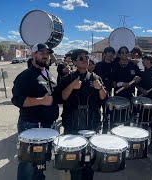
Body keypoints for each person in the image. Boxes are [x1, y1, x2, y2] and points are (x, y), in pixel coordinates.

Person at [56, 49, 107, 180]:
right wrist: (71, 86)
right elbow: (61, 97)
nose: (85, 60)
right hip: (73, 122)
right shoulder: (68, 78)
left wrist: (100, 87)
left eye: (86, 57)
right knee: (75, 160)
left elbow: (104, 98)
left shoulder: (96, 77)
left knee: (90, 159)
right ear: (74, 62)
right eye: (81, 58)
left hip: (92, 122)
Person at [12, 43, 59, 180]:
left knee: (41, 161)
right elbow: (17, 100)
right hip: (31, 126)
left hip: (48, 125)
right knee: (28, 164)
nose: (46, 55)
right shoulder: (25, 76)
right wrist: (40, 101)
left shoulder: (48, 74)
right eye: (41, 53)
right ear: (33, 55)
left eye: (47, 53)